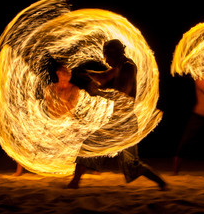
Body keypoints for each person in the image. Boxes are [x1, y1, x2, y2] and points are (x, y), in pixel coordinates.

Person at [68, 39, 167, 190]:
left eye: (107, 56)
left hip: (124, 122)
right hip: (121, 121)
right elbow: (104, 77)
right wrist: (85, 73)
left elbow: (123, 94)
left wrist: (98, 92)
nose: (106, 60)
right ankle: (161, 182)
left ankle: (74, 182)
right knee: (129, 164)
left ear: (114, 54)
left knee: (92, 146)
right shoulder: (120, 66)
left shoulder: (127, 67)